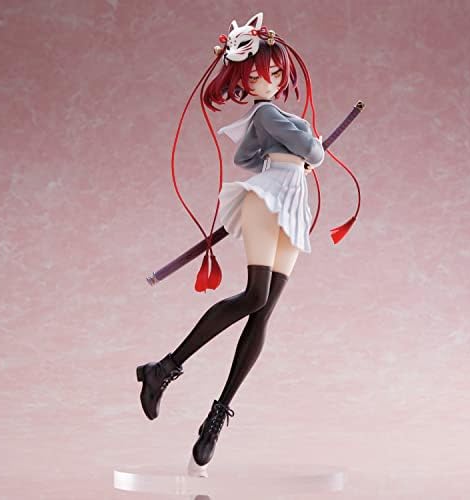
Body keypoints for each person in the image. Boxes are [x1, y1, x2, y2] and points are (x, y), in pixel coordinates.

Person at [137, 11, 328, 475]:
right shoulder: (267, 112)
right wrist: (306, 148)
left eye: (275, 72)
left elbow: (248, 154)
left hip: (292, 203)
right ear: (242, 78)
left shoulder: (276, 117)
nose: (269, 79)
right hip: (268, 202)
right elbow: (314, 151)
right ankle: (165, 367)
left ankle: (216, 416)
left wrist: (292, 157)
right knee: (255, 296)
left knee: (263, 314)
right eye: (258, 74)